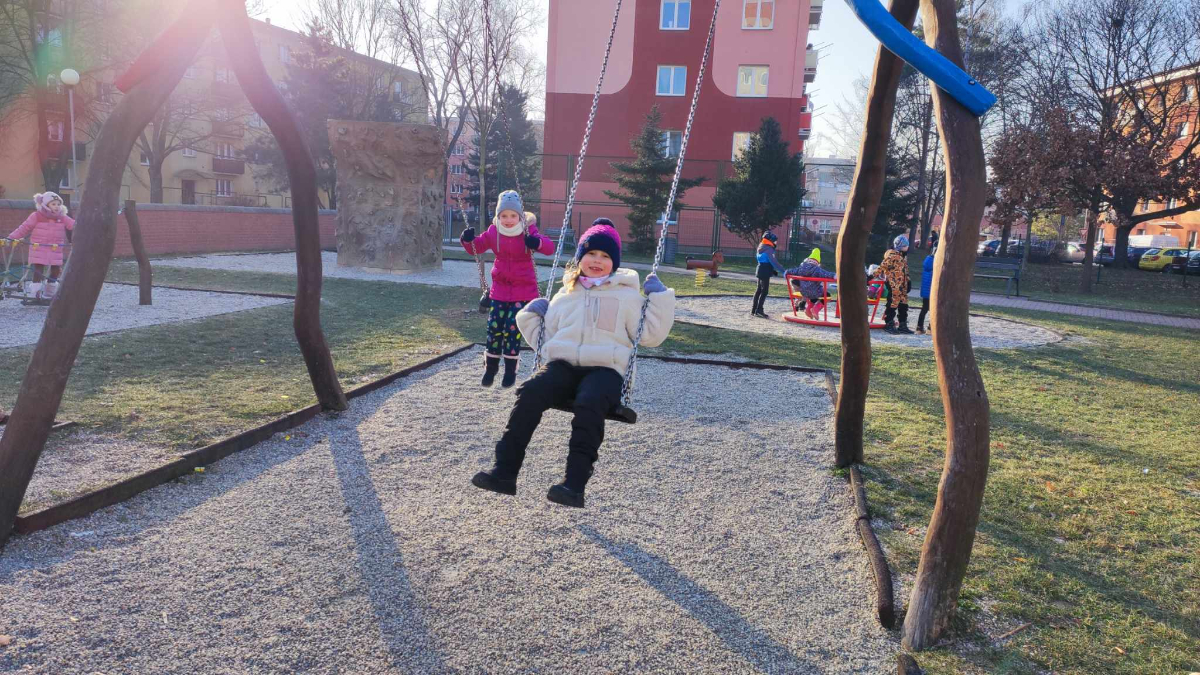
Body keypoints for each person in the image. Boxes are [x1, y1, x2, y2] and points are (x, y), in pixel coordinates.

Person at [470, 219, 676, 508]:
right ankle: (504, 472)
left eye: (605, 256)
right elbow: (546, 339)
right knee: (530, 391)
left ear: (614, 263)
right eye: (591, 253)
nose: (597, 261)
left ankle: (573, 485)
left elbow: (651, 336)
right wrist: (530, 316)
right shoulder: (565, 294)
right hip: (564, 365)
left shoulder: (627, 296)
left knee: (589, 402)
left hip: (606, 368)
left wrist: (660, 299)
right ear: (580, 258)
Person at [460, 191, 555, 387]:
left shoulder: (528, 230)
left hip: (523, 290)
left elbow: (549, 248)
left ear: (520, 216)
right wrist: (467, 239)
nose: (508, 220)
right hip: (500, 290)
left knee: (512, 330)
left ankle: (510, 371)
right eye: (504, 215)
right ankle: (491, 368)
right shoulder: (494, 231)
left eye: (513, 215)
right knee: (494, 328)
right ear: (498, 216)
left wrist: (536, 243)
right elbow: (476, 247)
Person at [7, 192, 74, 301]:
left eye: (58, 204)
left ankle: (49, 293)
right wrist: (11, 237)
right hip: (39, 247)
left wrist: (86, 226)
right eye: (53, 204)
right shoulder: (37, 216)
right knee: (38, 270)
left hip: (55, 248)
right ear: (46, 205)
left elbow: (74, 225)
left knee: (56, 270)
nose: (57, 206)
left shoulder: (62, 217)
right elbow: (24, 228)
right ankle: (35, 293)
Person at [874, 234, 913, 334]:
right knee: (892, 304)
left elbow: (905, 271)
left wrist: (908, 281)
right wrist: (873, 275)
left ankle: (902, 324)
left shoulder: (902, 257)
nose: (907, 247)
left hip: (902, 286)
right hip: (893, 284)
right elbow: (882, 266)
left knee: (903, 304)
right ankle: (889, 323)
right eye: (906, 246)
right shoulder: (892, 256)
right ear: (900, 246)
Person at [784, 248, 836, 319]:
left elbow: (790, 271)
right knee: (827, 296)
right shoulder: (817, 270)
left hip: (804, 292)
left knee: (814, 295)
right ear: (817, 262)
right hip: (815, 292)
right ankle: (815, 309)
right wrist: (835, 275)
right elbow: (827, 274)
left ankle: (808, 310)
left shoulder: (801, 268)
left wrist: (786, 273)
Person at [752, 231, 785, 318]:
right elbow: (774, 262)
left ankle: (754, 309)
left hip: (760, 269)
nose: (776, 242)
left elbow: (763, 261)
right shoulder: (769, 249)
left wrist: (772, 271)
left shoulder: (761, 246)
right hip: (765, 272)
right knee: (764, 291)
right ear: (771, 240)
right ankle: (759, 310)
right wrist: (784, 271)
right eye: (775, 241)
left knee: (759, 290)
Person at [916, 243, 935, 335]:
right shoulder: (936, 263)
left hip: (925, 292)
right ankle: (930, 328)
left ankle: (919, 328)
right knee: (934, 310)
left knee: (924, 309)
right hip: (933, 291)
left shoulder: (927, 261)